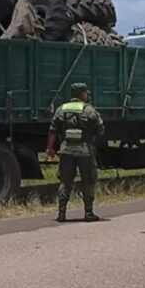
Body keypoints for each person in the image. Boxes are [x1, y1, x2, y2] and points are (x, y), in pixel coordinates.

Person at [46, 82, 105, 222]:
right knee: (88, 180)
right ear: (82, 94)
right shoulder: (89, 110)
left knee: (65, 182)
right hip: (84, 151)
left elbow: (53, 130)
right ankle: (88, 213)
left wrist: (49, 148)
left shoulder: (62, 109)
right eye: (86, 92)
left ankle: (61, 214)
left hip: (66, 150)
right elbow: (100, 129)